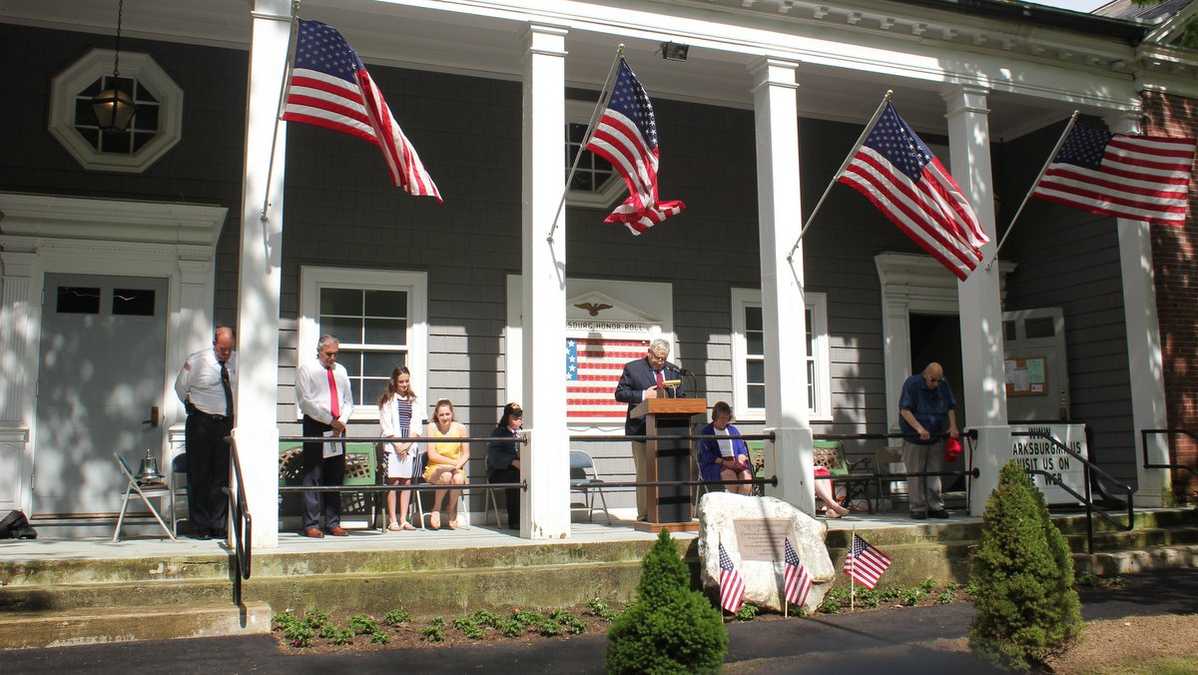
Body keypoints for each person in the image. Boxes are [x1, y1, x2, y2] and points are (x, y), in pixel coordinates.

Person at [174, 326, 237, 539]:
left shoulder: (237, 361)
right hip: (201, 421)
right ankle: (200, 525)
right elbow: (180, 387)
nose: (226, 353)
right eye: (222, 349)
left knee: (221, 475)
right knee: (200, 474)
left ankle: (218, 524)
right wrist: (193, 406)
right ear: (214, 344)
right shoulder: (197, 361)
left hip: (225, 423)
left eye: (229, 349)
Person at [614, 339, 685, 521]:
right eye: (657, 358)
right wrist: (645, 394)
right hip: (641, 430)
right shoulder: (633, 368)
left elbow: (682, 396)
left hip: (668, 430)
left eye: (663, 358)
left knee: (668, 471)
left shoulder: (672, 370)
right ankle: (644, 515)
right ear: (649, 352)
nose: (660, 362)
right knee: (645, 474)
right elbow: (620, 394)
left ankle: (668, 512)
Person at [295, 335, 355, 538]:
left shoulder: (341, 371)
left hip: (337, 427)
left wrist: (341, 421)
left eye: (335, 354)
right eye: (329, 354)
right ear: (319, 351)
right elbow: (305, 402)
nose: (332, 358)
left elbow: (348, 401)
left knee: (335, 474)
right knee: (313, 474)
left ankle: (333, 522)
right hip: (317, 424)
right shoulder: (307, 369)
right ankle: (311, 524)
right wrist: (329, 420)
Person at [898, 362, 959, 520]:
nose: (936, 383)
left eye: (939, 380)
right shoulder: (912, 384)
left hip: (936, 435)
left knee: (934, 473)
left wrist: (952, 426)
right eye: (933, 380)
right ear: (925, 375)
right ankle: (917, 507)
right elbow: (905, 410)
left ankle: (935, 506)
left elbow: (950, 407)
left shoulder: (943, 384)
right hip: (914, 438)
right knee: (915, 474)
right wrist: (919, 429)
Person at [378, 366, 420, 532]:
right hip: (393, 445)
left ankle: (404, 519)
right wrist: (398, 445)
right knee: (393, 481)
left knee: (406, 482)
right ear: (395, 382)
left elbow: (416, 425)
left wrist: (407, 444)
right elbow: (386, 425)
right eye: (401, 381)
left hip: (409, 445)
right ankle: (393, 520)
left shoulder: (414, 401)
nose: (404, 384)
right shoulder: (388, 401)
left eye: (407, 381)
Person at [424, 399, 468, 529]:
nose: (444, 417)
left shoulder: (460, 428)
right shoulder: (432, 427)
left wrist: (457, 466)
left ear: (452, 414)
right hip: (436, 467)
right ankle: (436, 508)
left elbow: (466, 454)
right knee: (446, 476)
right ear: (437, 415)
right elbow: (432, 455)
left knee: (458, 478)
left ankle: (451, 508)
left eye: (447, 414)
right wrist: (453, 463)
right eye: (441, 415)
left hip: (456, 467)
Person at [697, 402, 753, 496]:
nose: (724, 421)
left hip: (735, 462)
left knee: (747, 476)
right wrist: (725, 463)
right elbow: (707, 456)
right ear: (715, 417)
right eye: (722, 418)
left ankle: (738, 503)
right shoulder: (707, 432)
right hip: (717, 465)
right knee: (730, 475)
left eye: (726, 418)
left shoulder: (733, 430)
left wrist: (740, 458)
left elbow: (742, 451)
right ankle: (737, 503)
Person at [486, 402, 523, 531]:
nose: (518, 420)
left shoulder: (524, 433)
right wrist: (512, 461)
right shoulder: (499, 433)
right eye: (515, 417)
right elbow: (494, 457)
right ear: (507, 417)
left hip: (521, 470)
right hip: (499, 472)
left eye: (520, 417)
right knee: (516, 479)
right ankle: (515, 521)